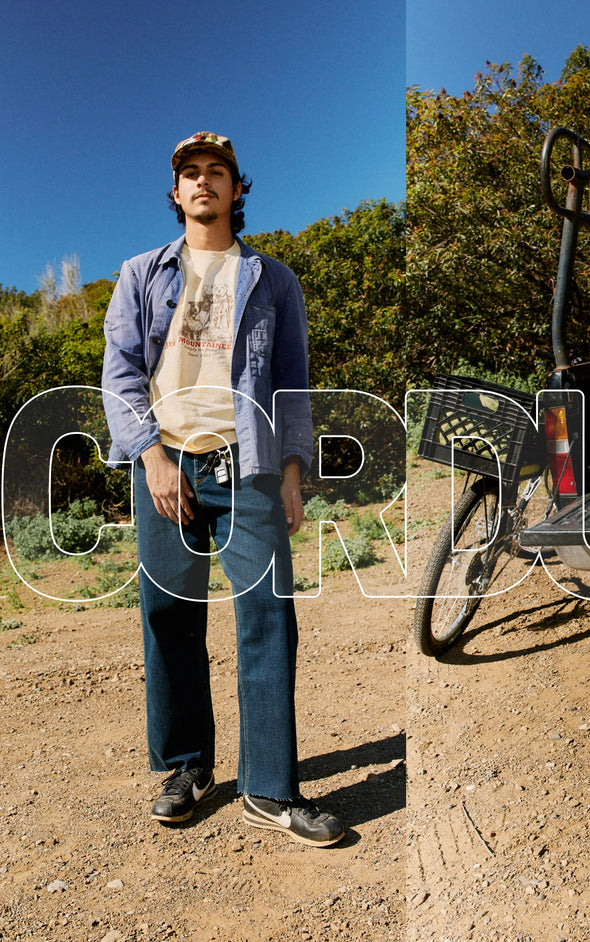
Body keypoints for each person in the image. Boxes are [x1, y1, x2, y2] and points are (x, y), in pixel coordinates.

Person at [102, 132, 344, 847]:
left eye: (217, 172)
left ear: (239, 190)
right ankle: (189, 768)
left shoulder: (273, 280)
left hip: (249, 467)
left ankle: (270, 788)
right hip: (167, 465)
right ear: (175, 194)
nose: (202, 182)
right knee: (169, 619)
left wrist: (295, 470)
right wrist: (150, 457)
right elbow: (120, 377)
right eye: (189, 174)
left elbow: (292, 385)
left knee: (269, 617)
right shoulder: (140, 274)